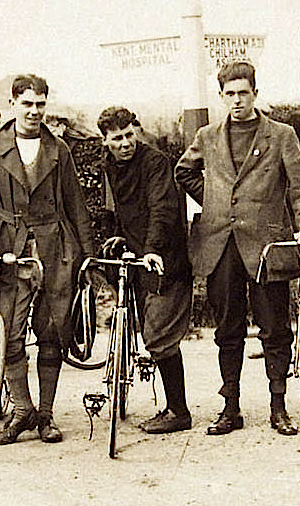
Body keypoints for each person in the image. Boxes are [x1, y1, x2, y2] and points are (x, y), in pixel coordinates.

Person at [175, 61, 300, 436]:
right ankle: (231, 408)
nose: (238, 100)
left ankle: (279, 406)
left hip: (266, 247)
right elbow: (184, 171)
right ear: (222, 97)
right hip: (221, 245)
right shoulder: (208, 136)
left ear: (255, 93)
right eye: (230, 94)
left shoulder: (281, 135)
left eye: (244, 92)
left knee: (274, 329)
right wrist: (214, 202)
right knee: (227, 329)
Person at [0, 74, 96, 445]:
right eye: (27, 104)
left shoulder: (59, 150)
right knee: (9, 332)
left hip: (55, 247)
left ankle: (47, 415)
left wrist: (87, 258)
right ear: (13, 105)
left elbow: (76, 206)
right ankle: (21, 410)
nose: (34, 111)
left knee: (52, 330)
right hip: (9, 248)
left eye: (40, 104)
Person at [96, 106, 193, 434]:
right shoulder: (108, 166)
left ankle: (178, 411)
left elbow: (162, 209)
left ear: (135, 131)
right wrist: (115, 236)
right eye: (116, 139)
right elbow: (115, 209)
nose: (124, 143)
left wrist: (152, 249)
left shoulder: (155, 162)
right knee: (147, 329)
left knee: (159, 336)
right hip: (135, 256)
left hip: (165, 258)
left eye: (128, 135)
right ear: (105, 140)